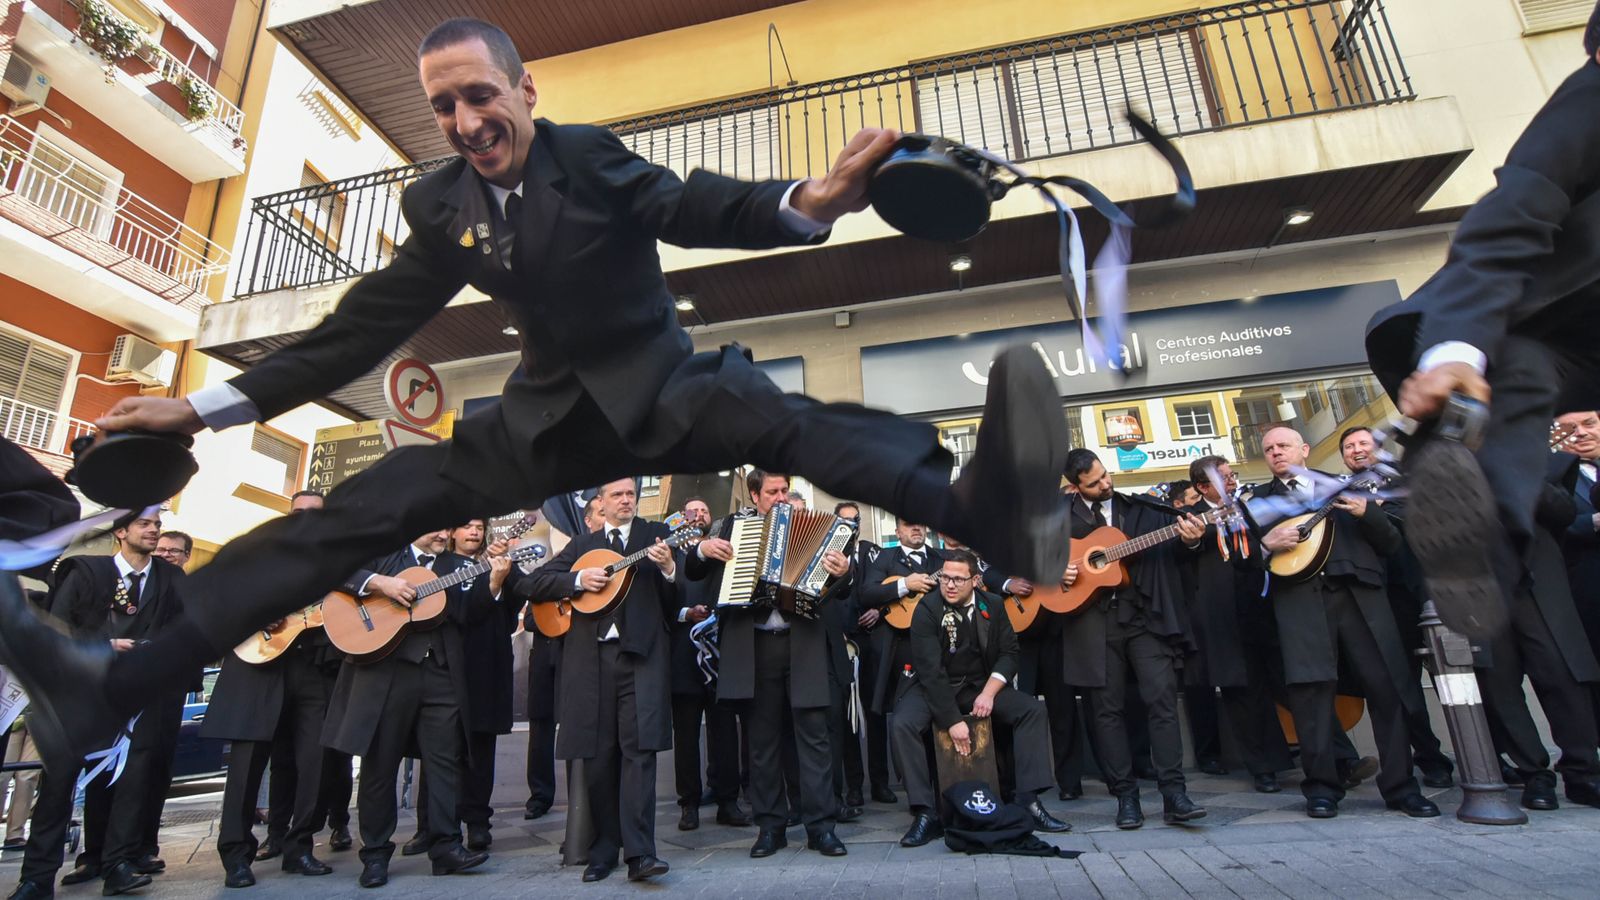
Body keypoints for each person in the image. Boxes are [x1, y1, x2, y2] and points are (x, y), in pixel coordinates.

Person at [0, 15, 1073, 771]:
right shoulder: (440, 208)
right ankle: (109, 688)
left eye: (479, 95)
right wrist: (200, 410)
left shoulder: (586, 159)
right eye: (443, 107)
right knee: (367, 507)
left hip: (662, 387)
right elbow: (356, 333)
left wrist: (812, 200)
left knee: (791, 422)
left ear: (523, 92)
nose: (465, 120)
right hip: (543, 420)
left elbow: (693, 204)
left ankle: (985, 512)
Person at [1364, 5, 1600, 638]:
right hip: (1559, 330)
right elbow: (1509, 222)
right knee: (1513, 369)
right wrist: (1453, 354)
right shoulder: (1587, 107)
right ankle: (1476, 531)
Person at [1255, 425, 1439, 820]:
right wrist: (1264, 545)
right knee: (1310, 695)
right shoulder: (1257, 502)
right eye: (1269, 448)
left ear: (1304, 449)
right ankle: (1322, 788)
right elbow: (1239, 564)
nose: (1276, 452)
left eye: (1283, 445)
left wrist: (1367, 513)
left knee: (1387, 689)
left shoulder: (1349, 487)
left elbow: (1392, 545)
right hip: (1300, 604)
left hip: (1362, 597)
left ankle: (1402, 788)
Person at [13, 513, 188, 899]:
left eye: (157, 522)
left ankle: (117, 866)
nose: (154, 529)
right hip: (82, 695)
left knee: (132, 781)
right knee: (59, 784)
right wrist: (101, 648)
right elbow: (55, 630)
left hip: (140, 695)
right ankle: (36, 878)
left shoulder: (172, 579)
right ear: (121, 532)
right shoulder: (87, 572)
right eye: (143, 523)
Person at [321, 529, 506, 888]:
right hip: (387, 673)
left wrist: (494, 584)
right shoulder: (384, 555)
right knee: (381, 763)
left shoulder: (456, 565)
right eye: (436, 526)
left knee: (446, 761)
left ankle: (446, 847)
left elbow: (469, 614)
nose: (444, 534)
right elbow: (334, 570)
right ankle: (375, 854)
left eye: (447, 529)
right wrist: (380, 585)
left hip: (441, 673)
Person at [513, 478, 677, 883]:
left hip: (639, 658)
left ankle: (641, 854)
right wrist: (577, 581)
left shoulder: (655, 536)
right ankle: (604, 849)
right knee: (600, 757)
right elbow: (532, 584)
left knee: (639, 754)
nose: (626, 500)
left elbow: (677, 601)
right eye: (617, 495)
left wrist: (670, 568)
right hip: (592, 662)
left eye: (630, 495)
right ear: (600, 503)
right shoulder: (583, 547)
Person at [687, 471, 851, 859]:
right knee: (761, 744)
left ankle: (821, 828)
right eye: (772, 492)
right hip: (755, 646)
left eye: (784, 491)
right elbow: (695, 571)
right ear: (755, 494)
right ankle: (770, 827)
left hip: (803, 646)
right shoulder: (730, 527)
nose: (780, 497)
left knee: (814, 740)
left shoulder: (815, 526)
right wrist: (701, 550)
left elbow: (836, 584)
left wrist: (844, 572)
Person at [1059, 449, 1206, 829]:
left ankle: (1175, 793)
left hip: (1144, 617)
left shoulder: (1143, 506)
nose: (1106, 484)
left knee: (1161, 701)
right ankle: (1126, 797)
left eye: (1105, 476)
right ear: (1076, 488)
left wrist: (1191, 540)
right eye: (1094, 483)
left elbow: (1180, 551)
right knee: (1107, 712)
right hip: (1091, 624)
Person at [890, 548, 1068, 847]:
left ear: (974, 580)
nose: (949, 584)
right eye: (945, 577)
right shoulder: (927, 609)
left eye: (958, 579)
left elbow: (1009, 654)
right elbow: (930, 672)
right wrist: (952, 721)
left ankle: (1029, 801)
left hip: (978, 686)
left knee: (1031, 711)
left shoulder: (994, 604)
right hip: (935, 687)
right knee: (903, 723)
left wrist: (988, 693)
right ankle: (925, 812)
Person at [203, 493, 336, 887]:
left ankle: (299, 848)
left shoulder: (336, 563)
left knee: (316, 763)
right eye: (299, 513)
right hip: (257, 667)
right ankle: (236, 855)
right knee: (246, 770)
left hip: (312, 668)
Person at [1338, 427, 1455, 789]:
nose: (1357, 451)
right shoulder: (1342, 493)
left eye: (1363, 444)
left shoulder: (1408, 481)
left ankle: (1489, 756)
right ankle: (1430, 757)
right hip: (1385, 600)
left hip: (1429, 591)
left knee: (1457, 679)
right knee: (1404, 686)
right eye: (1349, 447)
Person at [1180, 456, 1292, 793]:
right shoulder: (1190, 518)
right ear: (1202, 488)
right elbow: (1189, 558)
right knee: (1242, 696)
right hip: (1223, 618)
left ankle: (1335, 758)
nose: (1231, 482)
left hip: (1263, 607)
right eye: (1224, 478)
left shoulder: (1244, 505)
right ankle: (1262, 768)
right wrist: (1193, 541)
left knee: (1290, 684)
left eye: (1232, 476)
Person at [668, 497, 748, 831]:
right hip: (684, 659)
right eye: (692, 511)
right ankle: (689, 804)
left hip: (720, 655)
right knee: (686, 737)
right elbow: (660, 601)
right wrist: (686, 614)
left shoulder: (722, 552)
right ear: (681, 518)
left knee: (725, 733)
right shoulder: (671, 553)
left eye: (704, 510)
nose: (699, 514)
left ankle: (727, 801)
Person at [524, 496, 601, 820]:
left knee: (577, 726)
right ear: (587, 520)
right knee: (541, 725)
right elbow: (531, 612)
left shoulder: (613, 557)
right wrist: (568, 591)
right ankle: (540, 795)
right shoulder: (568, 557)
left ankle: (582, 804)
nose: (602, 520)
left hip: (579, 654)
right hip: (546, 653)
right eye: (598, 514)